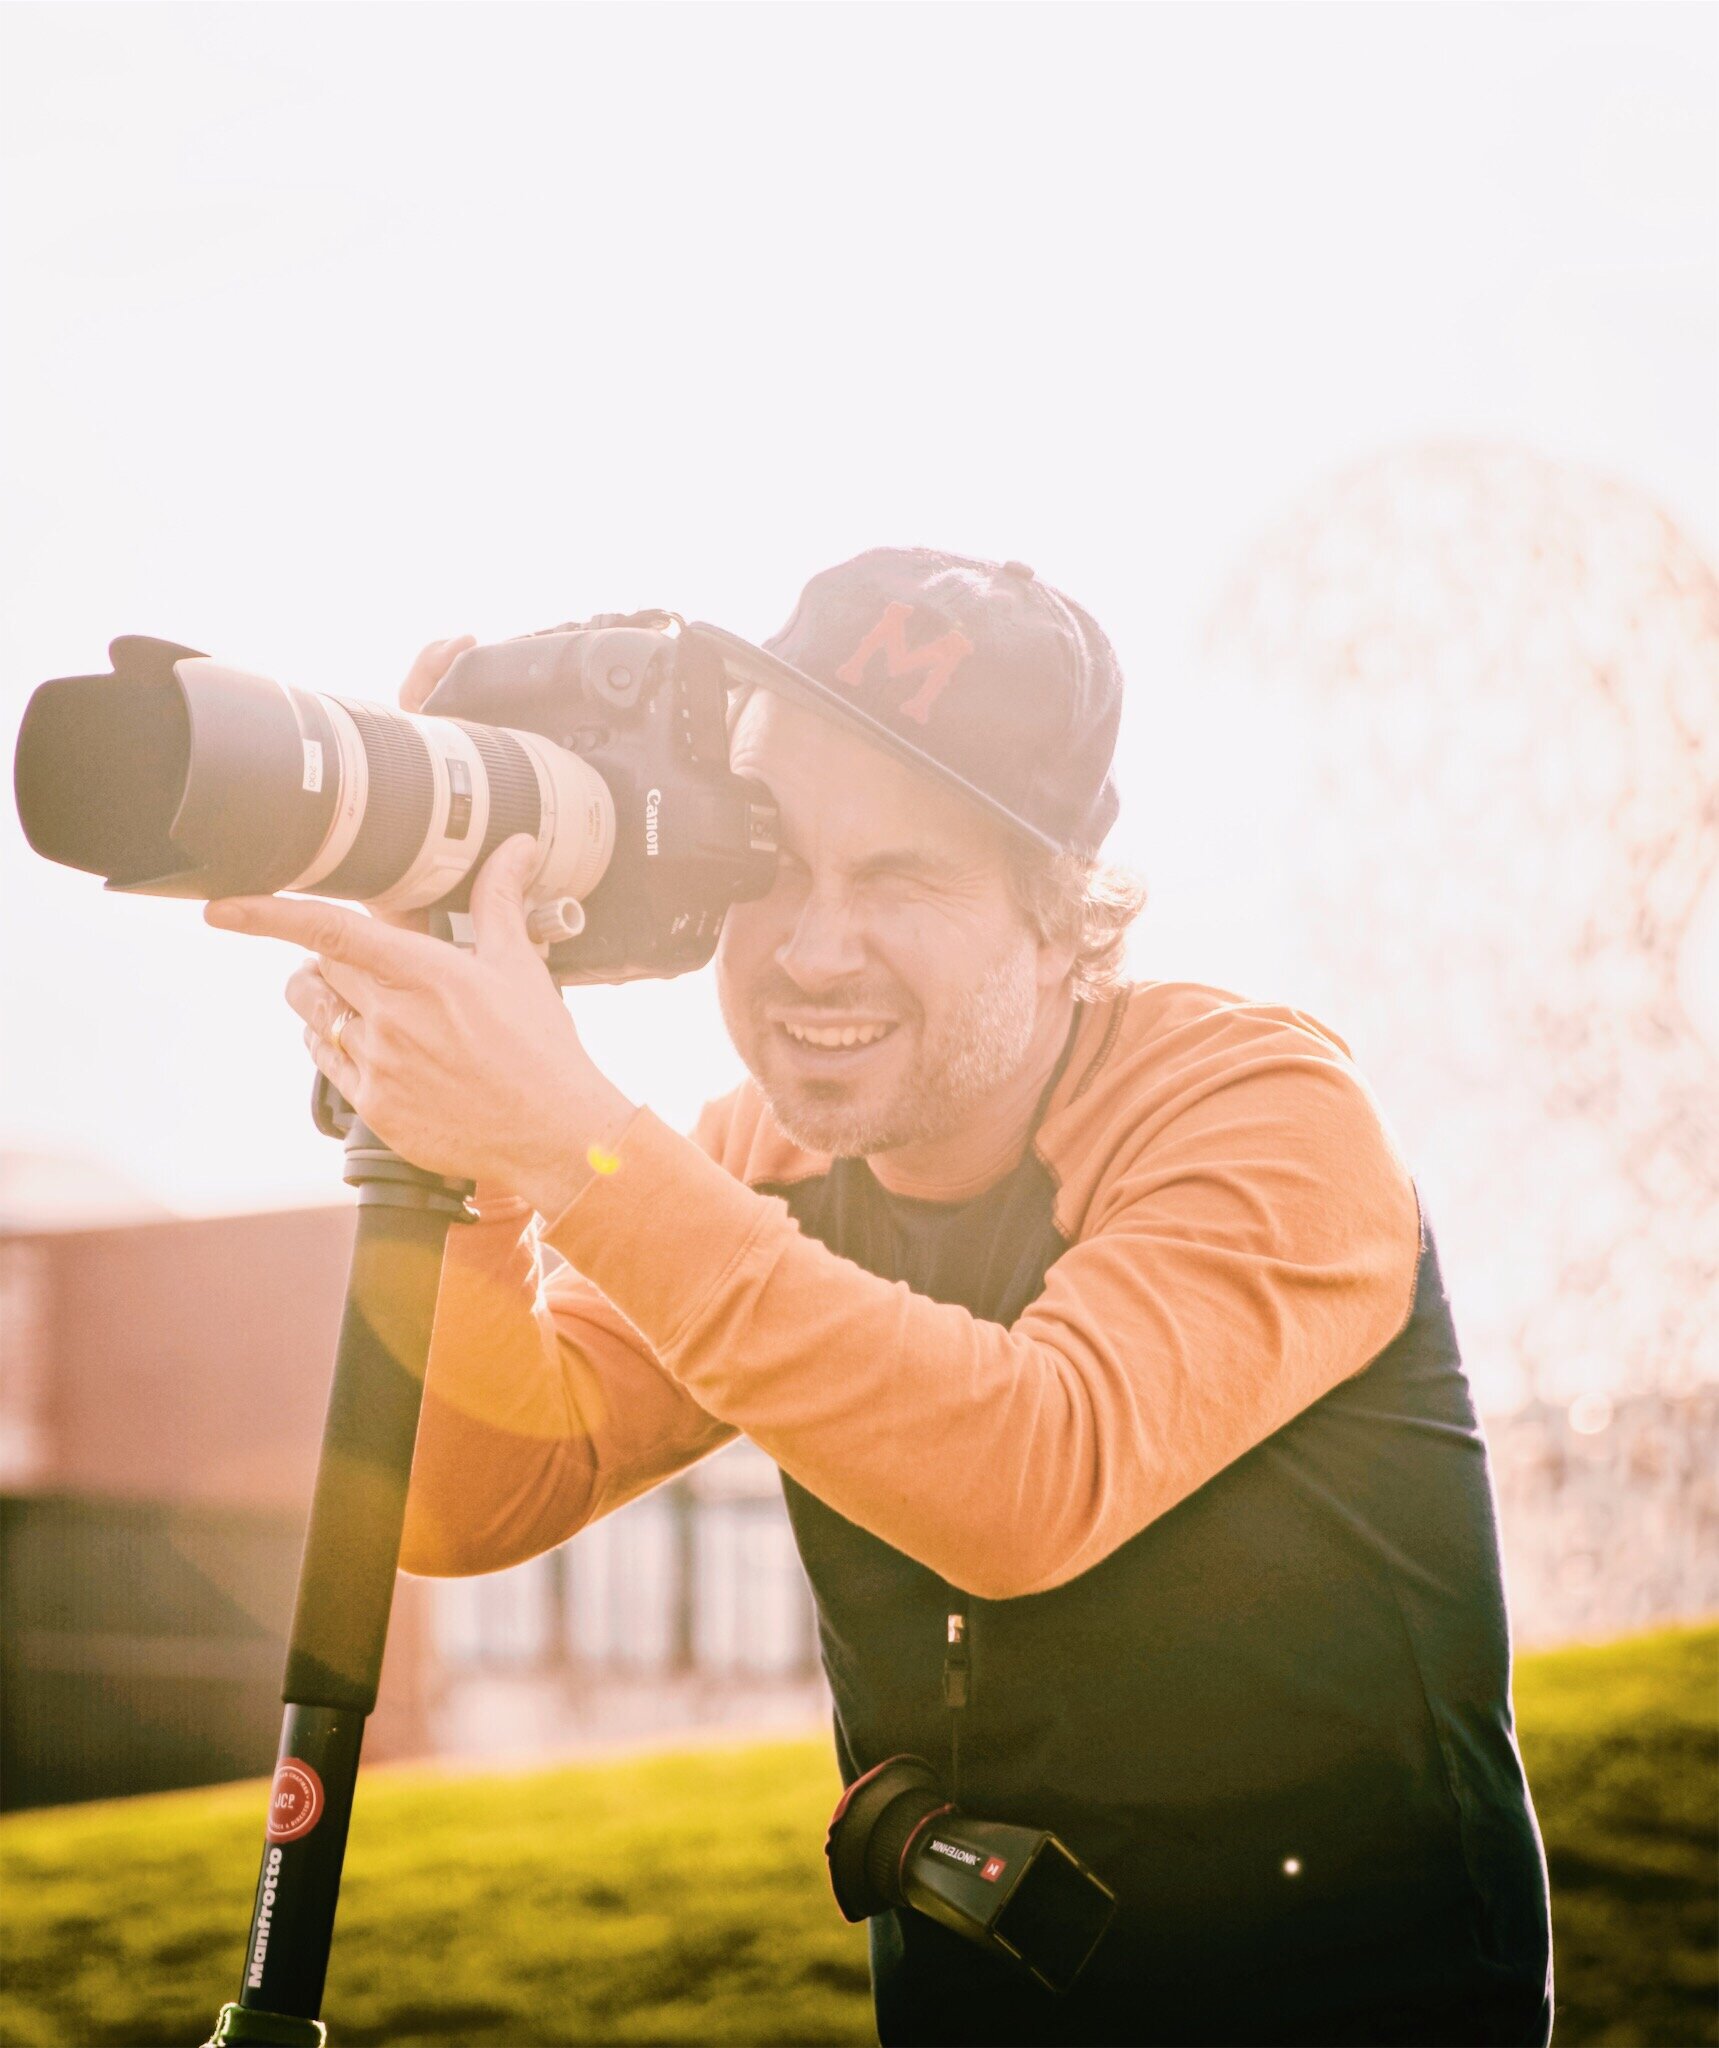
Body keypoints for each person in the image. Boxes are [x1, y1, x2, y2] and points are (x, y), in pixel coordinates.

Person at [206, 548, 1554, 2047]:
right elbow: (481, 1494)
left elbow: (1029, 1474)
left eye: (900, 876)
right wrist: (473, 1165)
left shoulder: (1263, 1115)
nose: (812, 947)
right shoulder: (763, 1160)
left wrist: (561, 1137)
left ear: (1062, 917)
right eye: (771, 864)